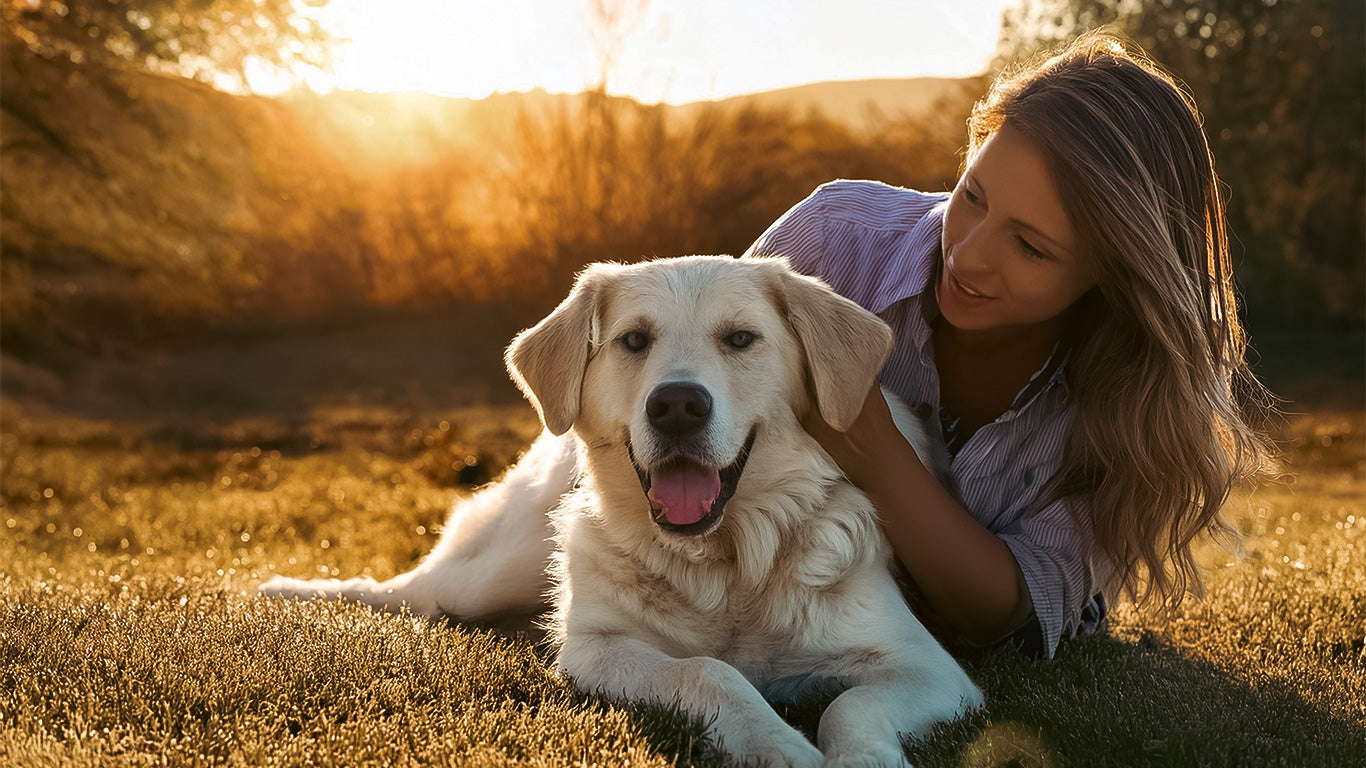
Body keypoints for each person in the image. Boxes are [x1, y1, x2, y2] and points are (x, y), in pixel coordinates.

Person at [743, 31, 1278, 659]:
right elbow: (680, 376)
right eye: (972, 197)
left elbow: (1015, 615)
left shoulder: (1133, 404)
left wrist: (880, 457)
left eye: (1030, 247)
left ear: (1112, 273)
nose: (967, 257)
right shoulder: (835, 239)